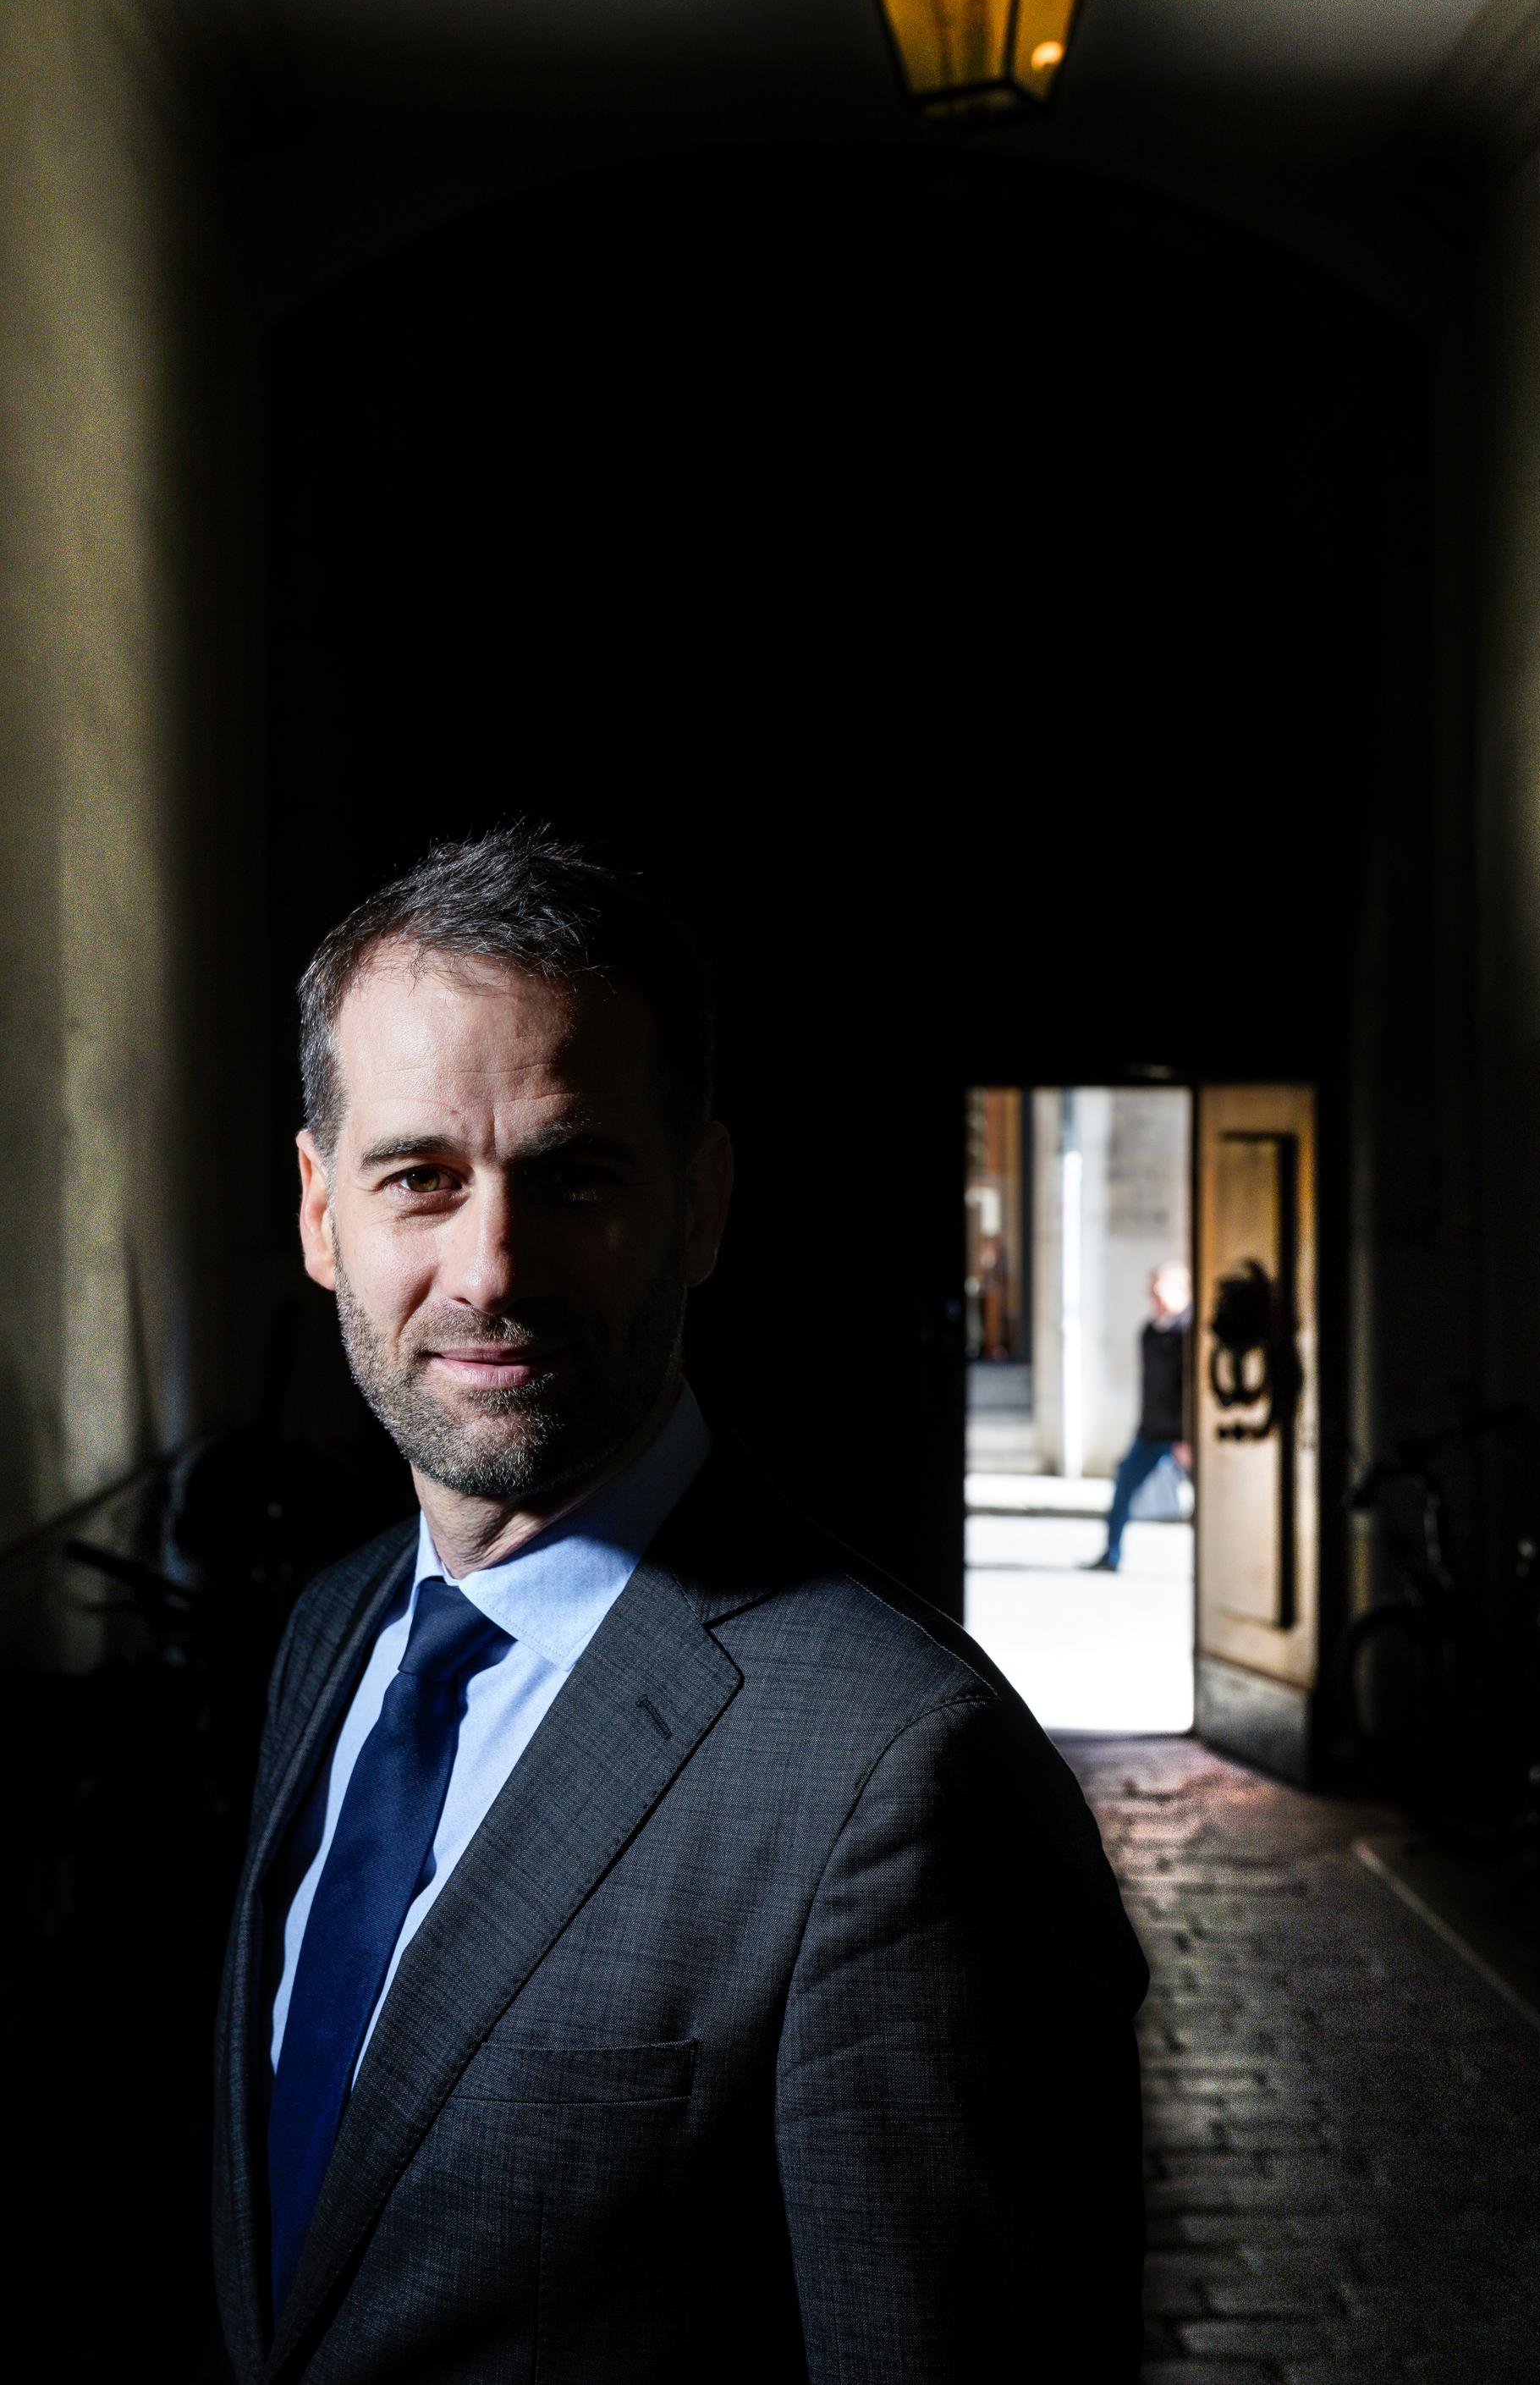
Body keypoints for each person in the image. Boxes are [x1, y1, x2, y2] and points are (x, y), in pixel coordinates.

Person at [212, 828, 1147, 2385]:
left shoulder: (906, 1781)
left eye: (573, 1175)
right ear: (322, 1213)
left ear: (701, 1205)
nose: (489, 1262)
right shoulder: (330, 1637)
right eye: (419, 1177)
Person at [1090, 1261, 1194, 1572]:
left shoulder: (1189, 1331)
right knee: (1124, 1488)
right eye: (1151, 1293)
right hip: (1150, 1431)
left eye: (1160, 1292)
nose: (1155, 1300)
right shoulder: (1149, 1332)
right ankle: (1112, 1554)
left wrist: (1186, 1437)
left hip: (1182, 1435)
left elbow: (1190, 1389)